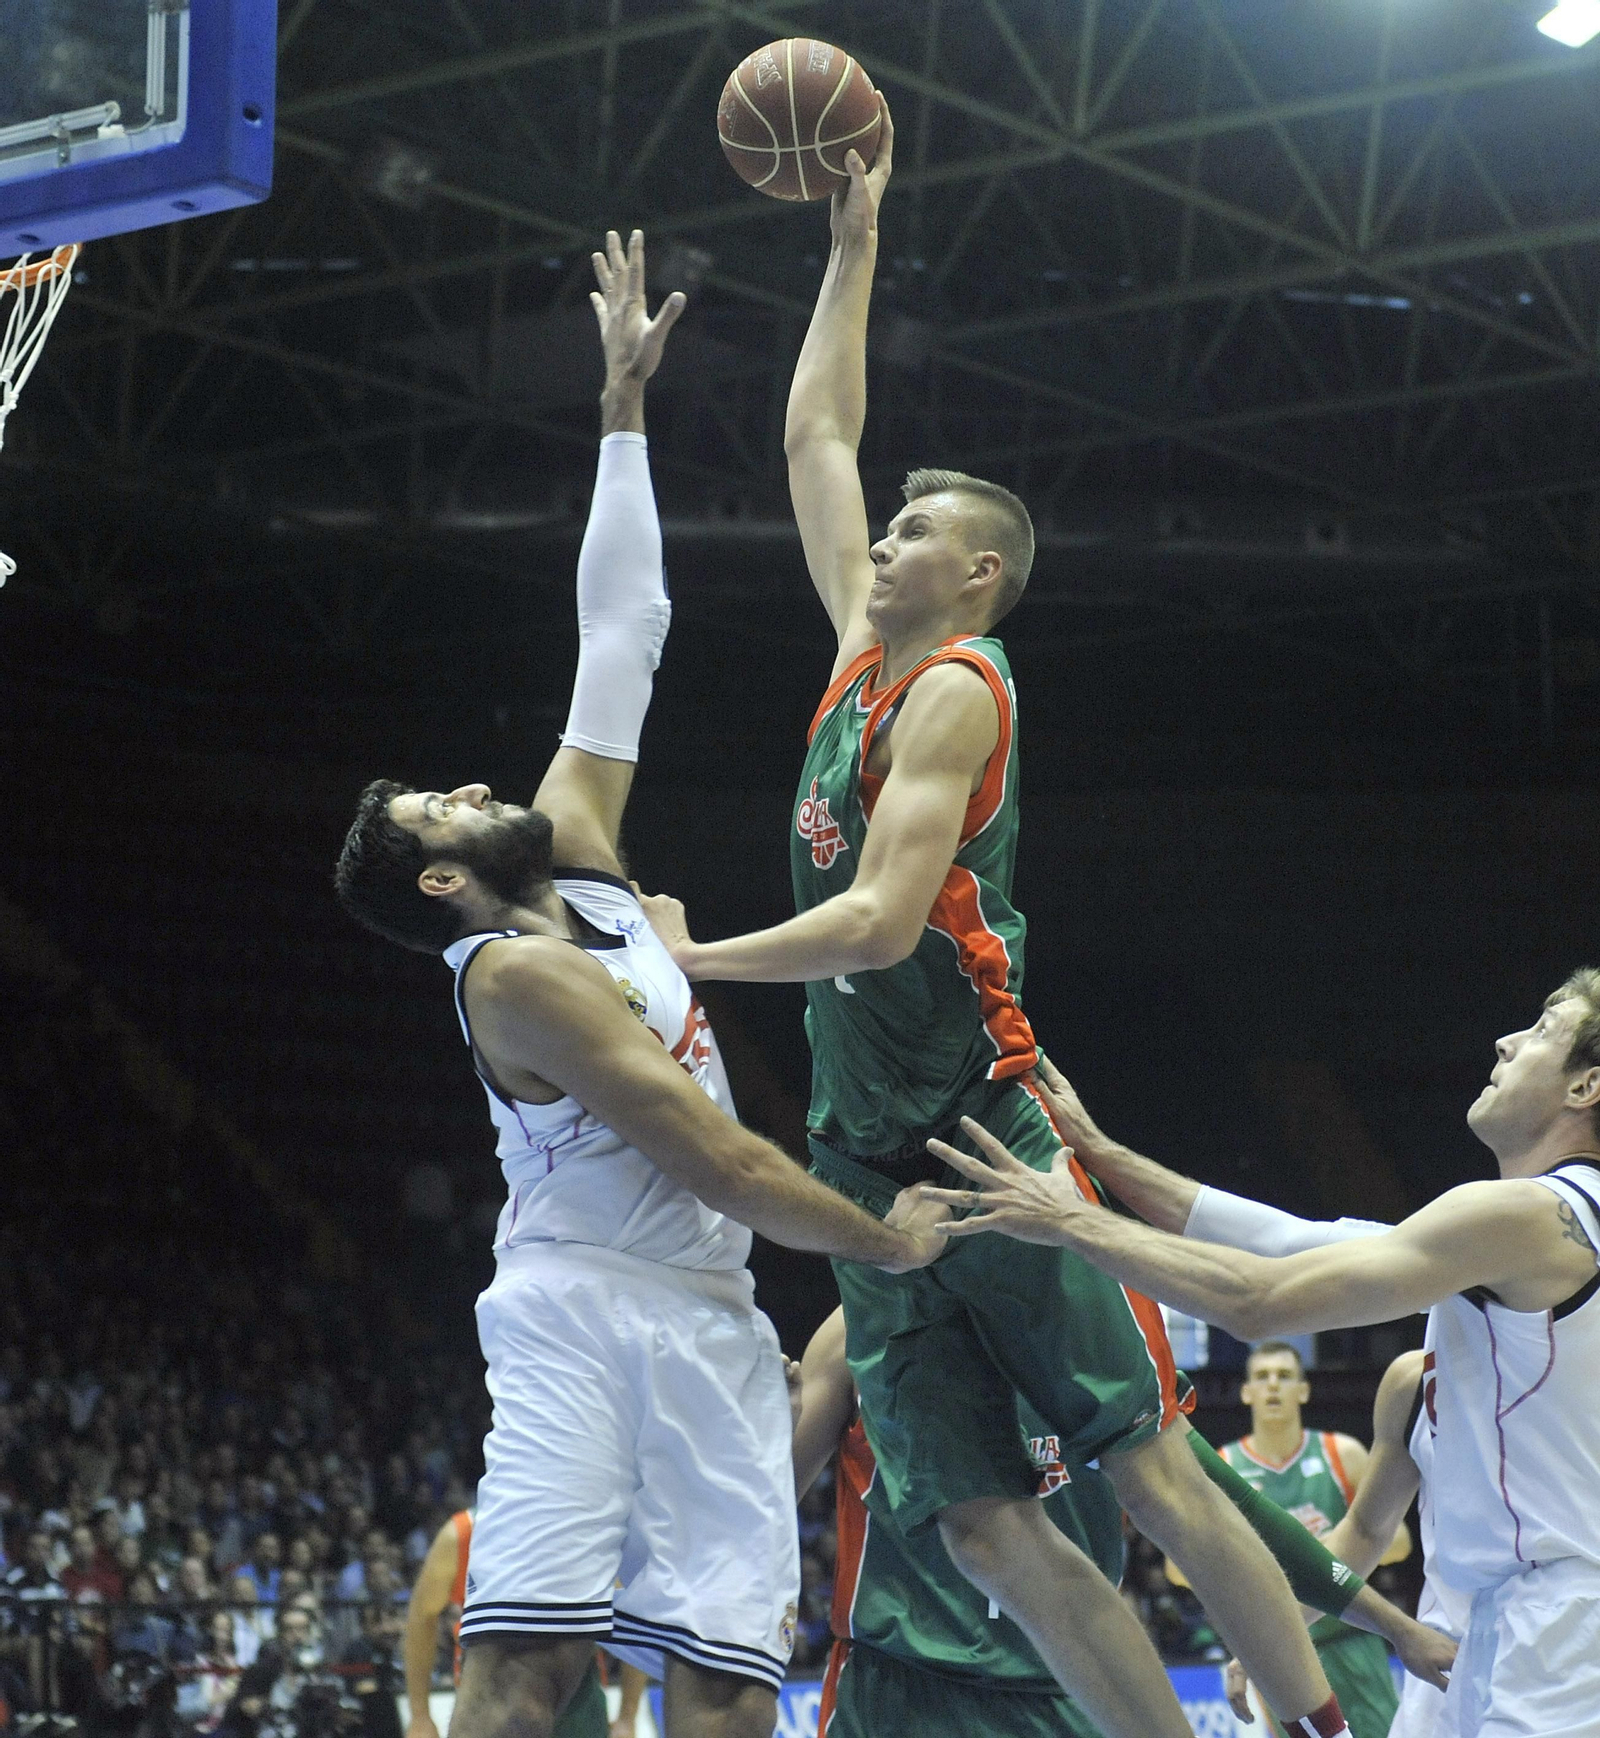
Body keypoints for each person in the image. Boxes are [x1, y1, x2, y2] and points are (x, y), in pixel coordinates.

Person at [637, 98, 1399, 1738]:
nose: (884, 536)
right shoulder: (863, 651)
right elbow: (815, 442)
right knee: (980, 1520)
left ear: (976, 575)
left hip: (986, 1127)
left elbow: (876, 920)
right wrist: (850, 247)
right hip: (870, 1161)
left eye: (919, 530)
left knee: (1150, 1466)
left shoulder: (962, 692)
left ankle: (1312, 1722)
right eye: (892, 525)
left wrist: (693, 956)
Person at [334, 230, 945, 1738]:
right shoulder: (510, 977)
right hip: (580, 1310)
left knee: (732, 1677)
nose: (476, 784)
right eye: (440, 806)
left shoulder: (587, 859)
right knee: (525, 1667)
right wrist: (888, 1243)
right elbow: (723, 1154)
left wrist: (621, 406)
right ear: (441, 879)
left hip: (712, 1310)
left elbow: (625, 629)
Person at [923, 973, 1600, 1738]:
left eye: (1542, 1029)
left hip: (1564, 1628)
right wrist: (1103, 1155)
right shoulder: (1530, 1234)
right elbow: (1287, 1240)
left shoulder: (1530, 1215)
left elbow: (1261, 1300)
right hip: (1509, 1626)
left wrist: (1071, 1223)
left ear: (1587, 1085)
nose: (1508, 1041)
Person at [791, 1310, 1447, 1738]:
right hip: (897, 1687)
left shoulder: (1097, 1343)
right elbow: (771, 1492)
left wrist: (1397, 1629)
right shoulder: (859, 1328)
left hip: (1070, 1689)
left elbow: (1235, 1514)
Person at [1228, 1350, 1459, 1738]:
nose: (1272, 1385)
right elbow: (1179, 1569)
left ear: (1303, 1390)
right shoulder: (1227, 1462)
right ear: (1246, 1391)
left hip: (1353, 1639)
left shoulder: (1341, 1452)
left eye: (1283, 1375)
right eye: (1263, 1376)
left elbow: (1394, 1542)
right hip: (1286, 1649)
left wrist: (1310, 1553)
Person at [402, 1510, 611, 1738]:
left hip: (575, 1701)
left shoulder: (584, 1525)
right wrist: (420, 1716)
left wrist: (629, 1712)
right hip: (489, 1695)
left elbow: (641, 1605)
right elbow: (422, 1616)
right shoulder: (463, 1534)